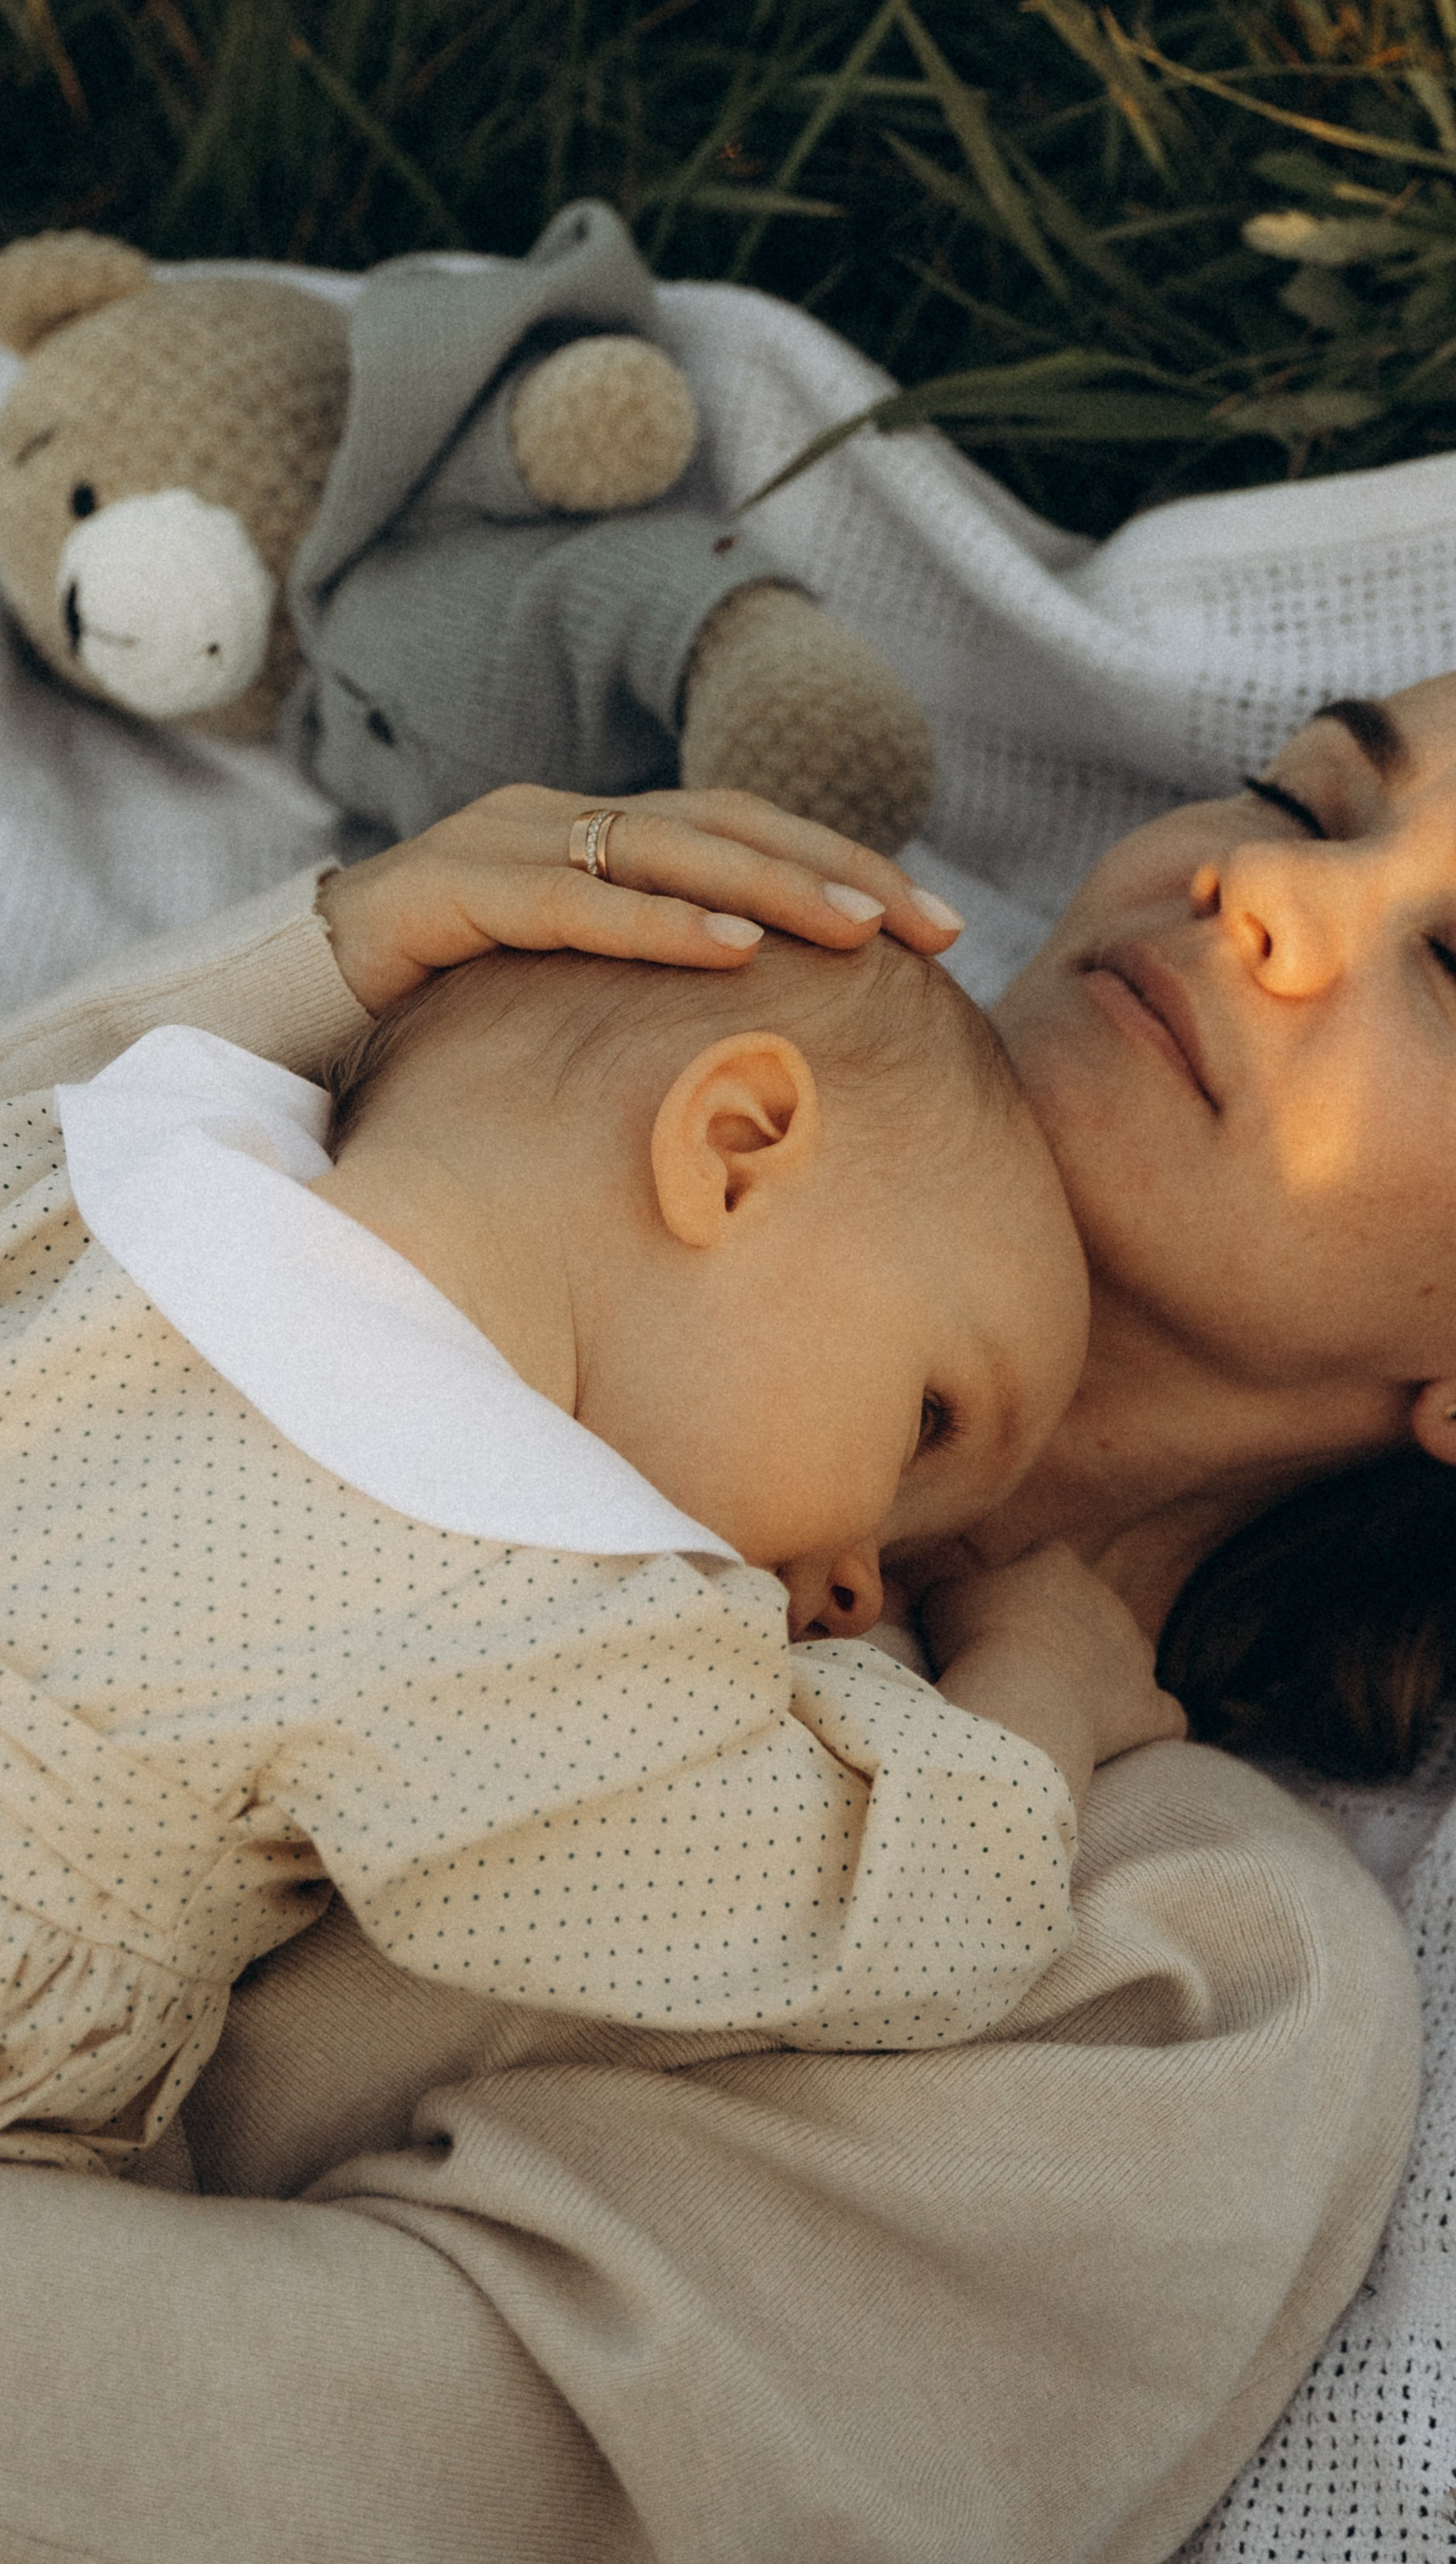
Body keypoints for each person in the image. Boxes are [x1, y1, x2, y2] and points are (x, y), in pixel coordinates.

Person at [0, 614, 1456, 2562]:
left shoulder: (1161, 1970)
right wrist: (325, 968)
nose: (1251, 883)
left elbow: (396, 2477)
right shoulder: (516, 1087)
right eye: (1299, 795)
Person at [0, 931, 1194, 2171]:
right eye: (924, 1428)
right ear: (731, 1152)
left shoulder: (114, 1149)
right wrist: (1036, 1679)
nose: (860, 1583)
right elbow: (904, 1915)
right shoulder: (529, 1617)